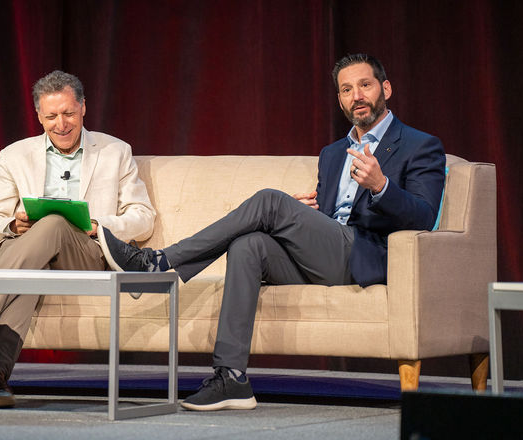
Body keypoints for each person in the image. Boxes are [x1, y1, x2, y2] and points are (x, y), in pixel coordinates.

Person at [99, 54, 446, 411]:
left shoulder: (420, 145)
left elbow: (424, 216)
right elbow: (331, 219)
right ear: (340, 99)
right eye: (346, 89)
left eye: (365, 85)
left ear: (385, 88)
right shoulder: (333, 154)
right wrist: (306, 218)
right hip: (327, 254)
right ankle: (231, 377)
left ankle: (158, 262)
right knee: (249, 244)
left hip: (366, 257)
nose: (356, 95)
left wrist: (381, 185)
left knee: (270, 201)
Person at [0, 70, 155, 408]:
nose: (61, 124)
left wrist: (95, 223)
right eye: (51, 116)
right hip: (28, 253)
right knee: (27, 274)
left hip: (85, 254)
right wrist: (12, 226)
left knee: (51, 224)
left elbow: (144, 218)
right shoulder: (15, 155)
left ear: (83, 109)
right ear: (38, 116)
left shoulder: (115, 151)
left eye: (68, 114)